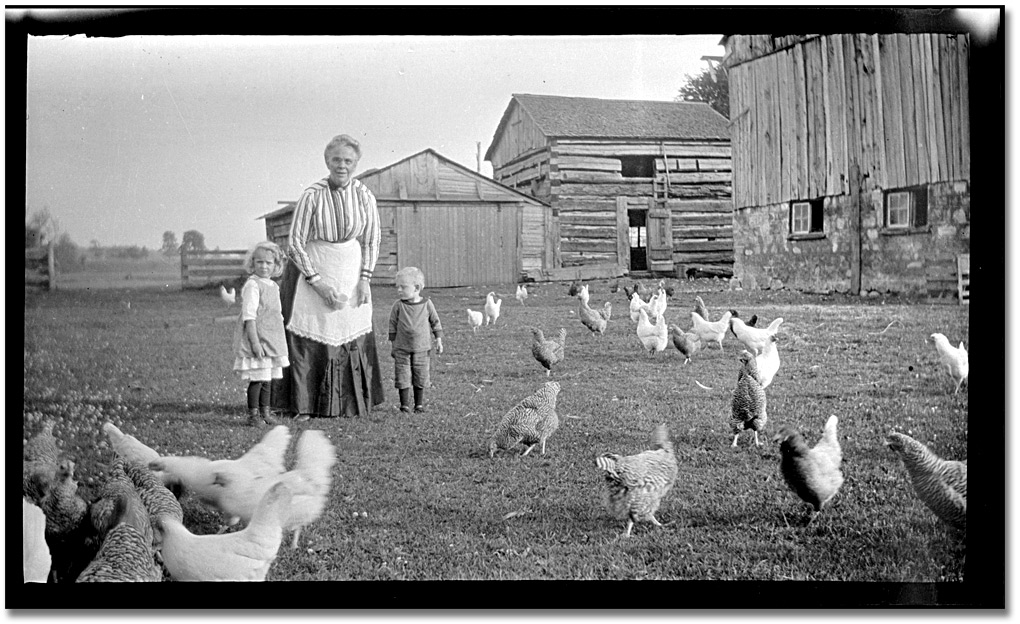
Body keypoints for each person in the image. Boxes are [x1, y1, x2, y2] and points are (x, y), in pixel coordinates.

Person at [275, 134, 385, 421]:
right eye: (336, 159)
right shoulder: (312, 195)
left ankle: (352, 403)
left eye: (348, 161)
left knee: (349, 325)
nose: (342, 166)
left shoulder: (364, 195)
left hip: (350, 266)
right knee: (314, 326)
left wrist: (365, 279)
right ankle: (307, 403)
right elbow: (295, 243)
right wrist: (318, 283)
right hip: (317, 265)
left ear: (356, 163)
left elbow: (372, 240)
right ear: (327, 161)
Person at [232, 241, 289, 426]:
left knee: (268, 378)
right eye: (259, 262)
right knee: (258, 378)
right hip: (258, 337)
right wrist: (255, 342)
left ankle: (266, 412)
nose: (264, 266)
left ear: (276, 265)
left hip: (272, 338)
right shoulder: (253, 285)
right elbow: (249, 316)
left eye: (268, 263)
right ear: (252, 263)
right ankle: (253, 415)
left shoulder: (273, 285)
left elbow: (276, 313)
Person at [387, 267, 444, 413]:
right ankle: (404, 405)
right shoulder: (398, 306)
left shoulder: (427, 304)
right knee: (402, 375)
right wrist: (393, 345)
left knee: (421, 374)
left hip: (422, 348)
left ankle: (419, 404)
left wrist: (438, 340)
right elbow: (392, 325)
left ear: (417, 288)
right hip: (402, 348)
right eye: (397, 287)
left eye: (403, 287)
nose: (399, 290)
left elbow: (435, 322)